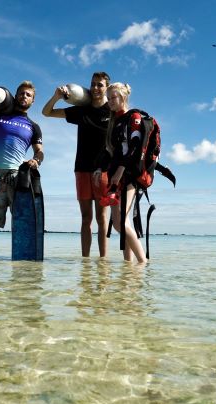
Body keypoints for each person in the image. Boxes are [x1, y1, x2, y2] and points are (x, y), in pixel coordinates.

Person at [41, 72, 111, 258]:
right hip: (81, 169)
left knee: (102, 218)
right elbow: (46, 113)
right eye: (93, 84)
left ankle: (103, 261)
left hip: (103, 171)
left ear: (106, 88)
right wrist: (56, 97)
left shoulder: (111, 111)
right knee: (86, 218)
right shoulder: (82, 111)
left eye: (100, 85)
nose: (96, 88)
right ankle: (86, 263)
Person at [0, 81, 44, 259]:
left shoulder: (33, 126)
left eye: (28, 95)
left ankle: (23, 269)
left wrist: (35, 160)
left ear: (32, 101)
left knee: (21, 225)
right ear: (15, 96)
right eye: (21, 93)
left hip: (19, 179)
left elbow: (40, 152)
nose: (24, 96)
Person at [94, 82, 147, 263]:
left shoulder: (134, 117)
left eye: (113, 98)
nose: (110, 102)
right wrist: (101, 169)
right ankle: (128, 266)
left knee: (120, 223)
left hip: (129, 175)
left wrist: (121, 171)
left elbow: (135, 146)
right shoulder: (114, 122)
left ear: (123, 97)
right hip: (116, 176)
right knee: (122, 222)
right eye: (108, 99)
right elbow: (111, 151)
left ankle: (142, 262)